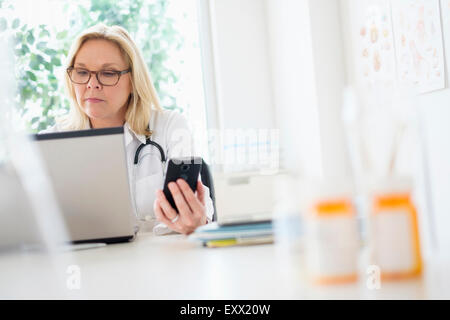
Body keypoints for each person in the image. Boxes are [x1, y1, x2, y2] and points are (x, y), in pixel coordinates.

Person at [41, 23, 214, 235]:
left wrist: (196, 220)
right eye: (82, 71)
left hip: (164, 261)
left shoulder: (171, 126)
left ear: (133, 80)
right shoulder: (51, 142)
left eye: (108, 73)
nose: (92, 84)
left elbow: (202, 209)